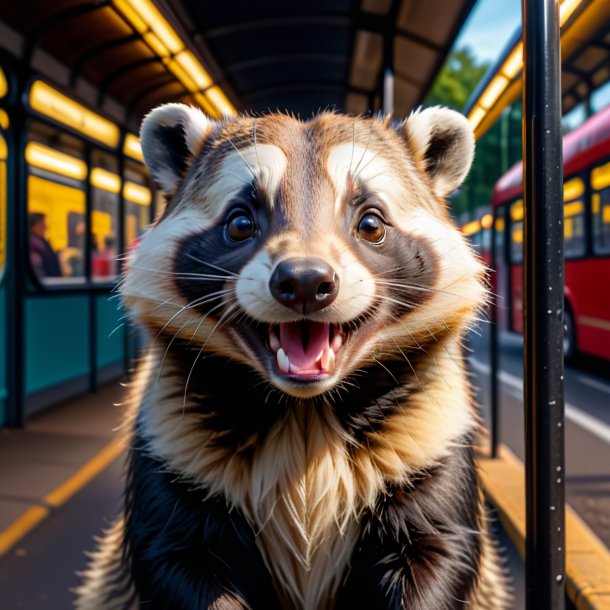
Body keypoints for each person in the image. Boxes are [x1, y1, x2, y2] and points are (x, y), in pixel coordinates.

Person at [29, 212, 61, 278]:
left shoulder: (42, 242)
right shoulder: (33, 247)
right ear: (34, 227)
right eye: (42, 224)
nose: (46, 227)